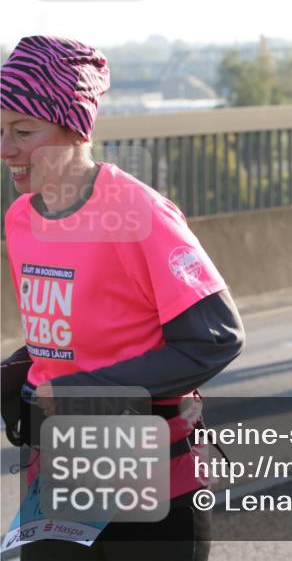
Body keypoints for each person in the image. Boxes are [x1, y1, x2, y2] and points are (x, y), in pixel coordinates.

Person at [1, 35, 245, 560]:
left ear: (74, 127)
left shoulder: (139, 214)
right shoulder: (20, 219)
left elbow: (215, 339)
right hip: (61, 478)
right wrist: (26, 366)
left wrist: (82, 391)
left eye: (23, 131)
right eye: (0, 130)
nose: (5, 149)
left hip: (154, 483)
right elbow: (80, 326)